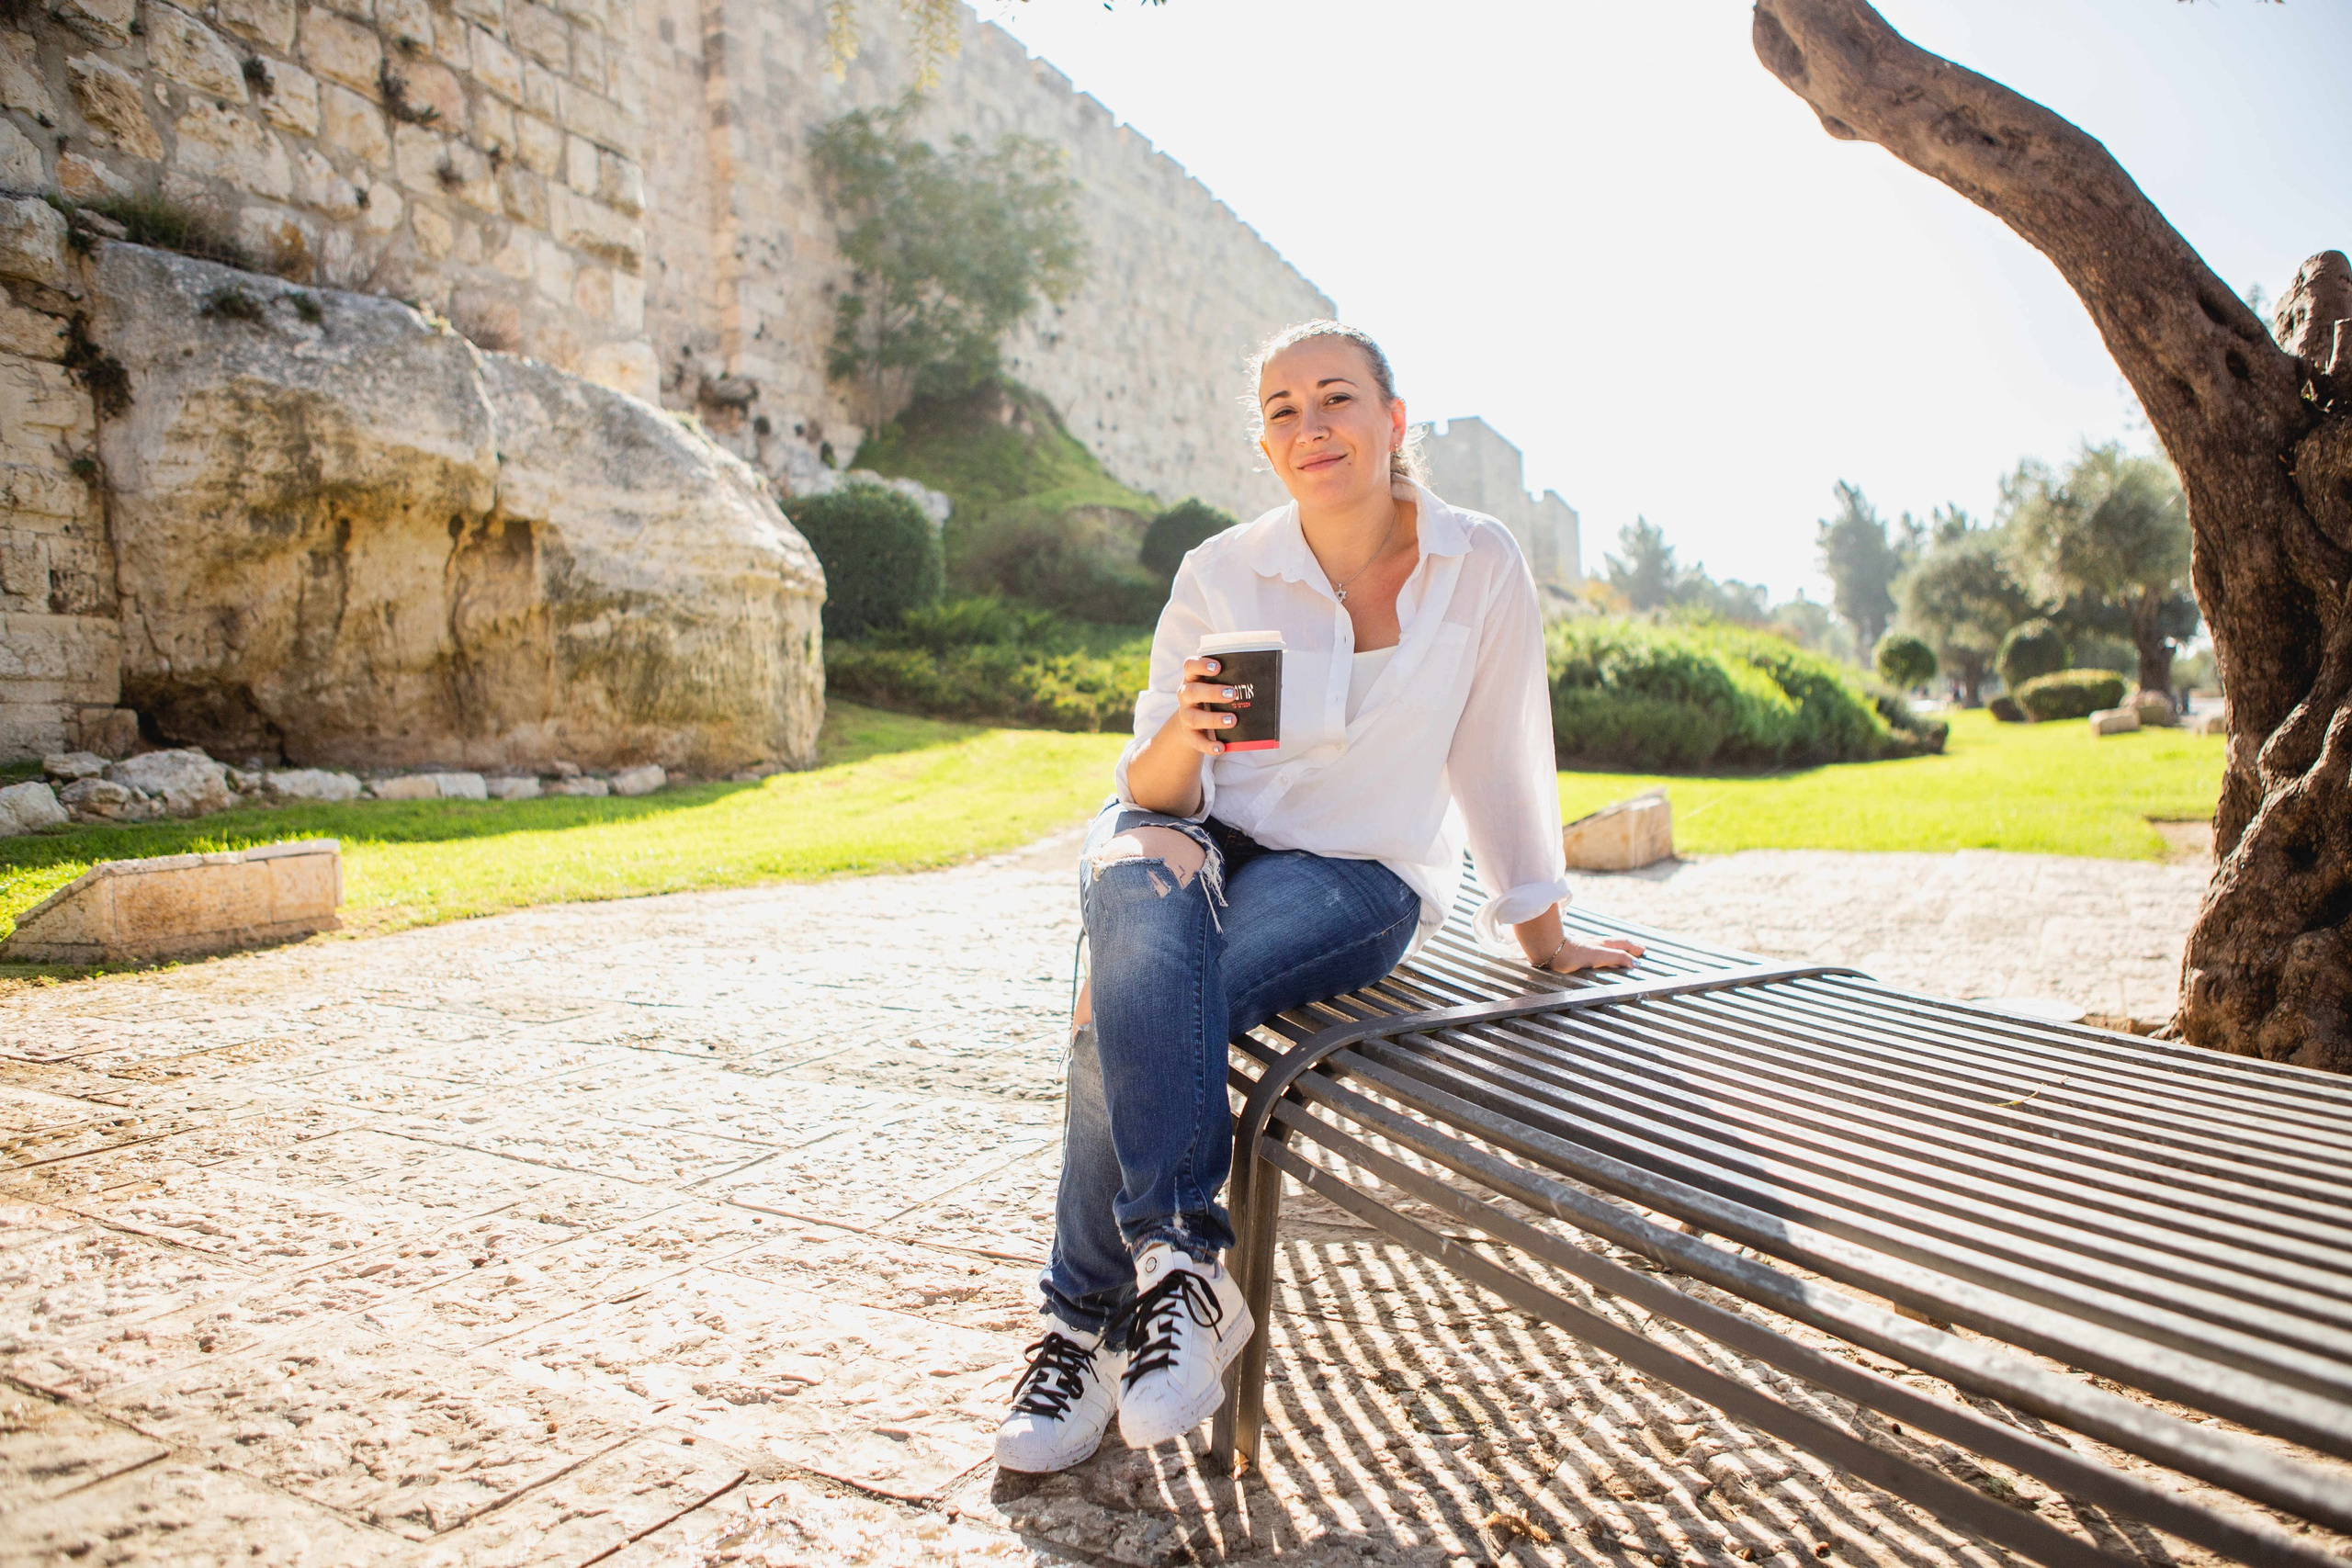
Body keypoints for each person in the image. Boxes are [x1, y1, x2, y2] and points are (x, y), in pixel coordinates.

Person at [992, 321, 1642, 1473]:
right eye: (1283, 410)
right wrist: (1186, 736)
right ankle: (1181, 1276)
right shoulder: (1223, 570)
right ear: (1264, 444)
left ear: (1394, 422)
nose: (1312, 425)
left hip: (1354, 872)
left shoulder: (1475, 562)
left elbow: (1499, 752)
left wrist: (1541, 929)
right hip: (1186, 831)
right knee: (1135, 945)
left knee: (1131, 1012)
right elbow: (1145, 781)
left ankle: (1080, 1324)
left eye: (1335, 398)